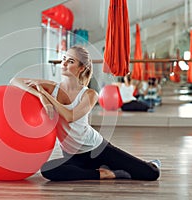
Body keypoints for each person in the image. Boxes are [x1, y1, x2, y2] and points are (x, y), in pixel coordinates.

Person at [10, 45, 160, 181]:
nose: (64, 63)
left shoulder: (89, 94)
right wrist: (41, 95)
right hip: (72, 156)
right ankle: (105, 174)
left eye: (70, 61)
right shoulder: (51, 87)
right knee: (47, 170)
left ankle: (147, 164)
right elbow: (14, 81)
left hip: (97, 149)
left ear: (81, 68)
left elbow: (70, 116)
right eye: (64, 59)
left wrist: (45, 95)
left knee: (151, 173)